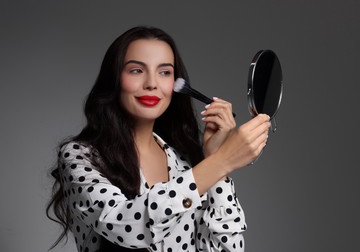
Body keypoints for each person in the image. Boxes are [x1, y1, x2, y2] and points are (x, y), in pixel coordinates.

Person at [47, 26, 270, 252]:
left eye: (164, 72)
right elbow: (125, 226)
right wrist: (221, 161)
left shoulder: (185, 163)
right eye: (136, 70)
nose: (152, 83)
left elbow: (225, 248)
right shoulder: (80, 156)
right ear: (114, 79)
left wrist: (216, 165)